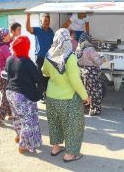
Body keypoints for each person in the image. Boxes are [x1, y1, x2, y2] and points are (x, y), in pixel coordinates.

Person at [42, 28, 90, 162]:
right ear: (67, 39)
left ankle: (56, 148)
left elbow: (44, 72)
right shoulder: (70, 56)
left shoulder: (49, 55)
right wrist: (85, 96)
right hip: (68, 98)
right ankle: (70, 154)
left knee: (55, 123)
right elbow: (75, 81)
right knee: (73, 125)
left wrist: (53, 74)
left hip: (51, 97)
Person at [6, 36, 43, 153]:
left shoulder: (10, 59)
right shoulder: (27, 62)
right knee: (28, 120)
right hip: (22, 94)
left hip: (10, 93)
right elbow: (38, 79)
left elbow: (9, 74)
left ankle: (18, 136)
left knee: (17, 117)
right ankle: (23, 145)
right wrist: (39, 93)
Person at [76, 32, 104, 116]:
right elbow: (98, 61)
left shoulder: (78, 48)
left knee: (85, 91)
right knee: (94, 91)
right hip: (92, 73)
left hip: (82, 71)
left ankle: (85, 108)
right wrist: (103, 58)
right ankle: (94, 110)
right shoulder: (90, 48)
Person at [26, 13, 54, 95]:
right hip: (40, 58)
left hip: (49, 58)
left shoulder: (51, 32)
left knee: (48, 77)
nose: (46, 22)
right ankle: (40, 94)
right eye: (45, 21)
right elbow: (28, 28)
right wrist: (28, 16)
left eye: (48, 21)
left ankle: (47, 94)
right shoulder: (37, 30)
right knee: (39, 77)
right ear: (41, 21)